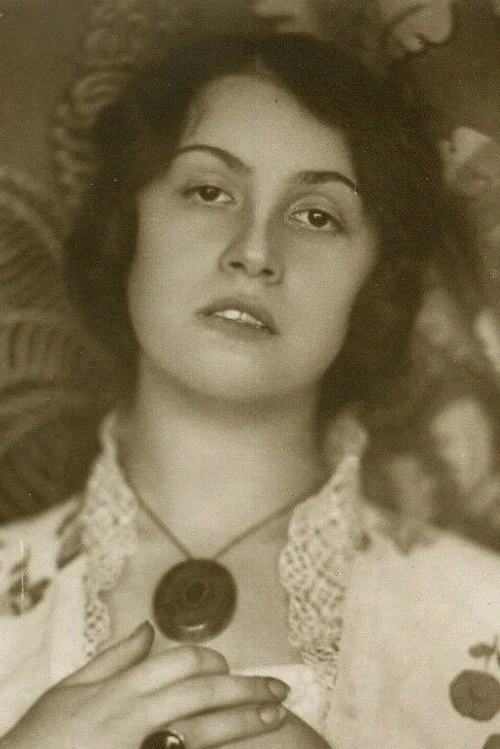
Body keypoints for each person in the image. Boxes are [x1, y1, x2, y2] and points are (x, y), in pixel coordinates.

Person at [0, 32, 498, 749]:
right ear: (128, 226)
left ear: (373, 282)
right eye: (208, 191)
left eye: (317, 215)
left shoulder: (483, 613)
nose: (255, 252)